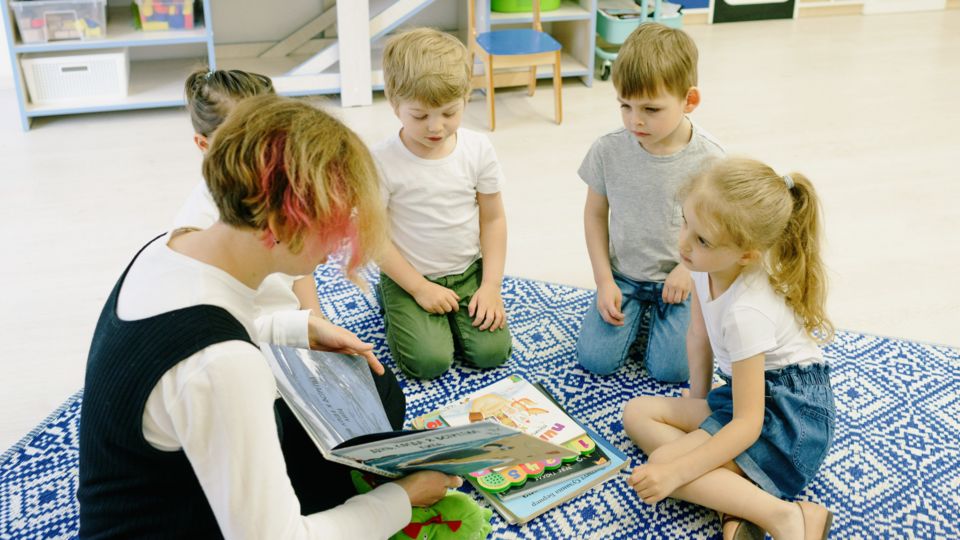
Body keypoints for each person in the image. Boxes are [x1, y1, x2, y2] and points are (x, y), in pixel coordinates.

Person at [78, 95, 462, 539]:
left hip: (146, 494)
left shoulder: (169, 247)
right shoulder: (223, 366)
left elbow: (188, 337)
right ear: (282, 225)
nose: (338, 247)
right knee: (351, 455)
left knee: (375, 396)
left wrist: (297, 327)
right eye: (336, 227)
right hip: (177, 524)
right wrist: (404, 497)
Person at [622, 157, 836, 540]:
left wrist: (680, 468)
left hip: (789, 420)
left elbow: (748, 424)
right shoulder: (703, 268)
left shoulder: (747, 311)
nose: (684, 244)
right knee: (637, 412)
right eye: (685, 221)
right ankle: (737, 503)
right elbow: (699, 338)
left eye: (702, 240)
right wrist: (697, 411)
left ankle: (787, 517)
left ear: (747, 254)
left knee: (665, 463)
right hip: (742, 399)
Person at [173, 68, 380, 381]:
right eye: (243, 143)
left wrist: (315, 322)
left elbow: (300, 267)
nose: (263, 154)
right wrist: (299, 333)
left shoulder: (278, 191)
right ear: (205, 145)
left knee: (378, 385)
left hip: (288, 327)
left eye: (273, 139)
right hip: (251, 347)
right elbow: (221, 330)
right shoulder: (199, 230)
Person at [575, 23, 724, 382]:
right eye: (625, 106)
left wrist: (689, 271)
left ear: (689, 101)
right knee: (594, 360)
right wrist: (604, 281)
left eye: (651, 109)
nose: (634, 120)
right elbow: (595, 215)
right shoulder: (608, 150)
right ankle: (635, 315)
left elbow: (721, 233)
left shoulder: (712, 160)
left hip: (681, 281)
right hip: (624, 277)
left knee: (672, 371)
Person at [372, 28, 512, 379]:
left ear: (466, 97)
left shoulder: (477, 149)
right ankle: (390, 299)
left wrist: (491, 286)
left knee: (492, 353)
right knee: (429, 363)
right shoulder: (381, 161)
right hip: (410, 274)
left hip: (467, 273)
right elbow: (372, 237)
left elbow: (493, 220)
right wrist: (418, 288)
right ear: (394, 103)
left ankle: (443, 311)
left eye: (449, 113)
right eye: (419, 116)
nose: (436, 127)